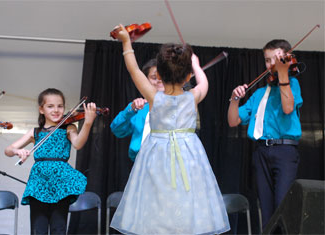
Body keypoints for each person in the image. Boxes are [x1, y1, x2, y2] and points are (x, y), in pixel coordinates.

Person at [110, 24, 230, 234]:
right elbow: (204, 82)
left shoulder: (154, 97)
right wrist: (196, 65)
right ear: (187, 77)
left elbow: (134, 69)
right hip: (189, 155)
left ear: (160, 76)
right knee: (187, 200)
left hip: (157, 156)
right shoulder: (193, 96)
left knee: (157, 203)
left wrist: (126, 42)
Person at [227, 39, 302, 228]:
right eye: (267, 60)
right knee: (266, 209)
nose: (271, 65)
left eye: (275, 60)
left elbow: (287, 108)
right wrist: (235, 99)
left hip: (285, 152)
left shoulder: (292, 84)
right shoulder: (260, 93)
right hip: (262, 152)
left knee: (283, 206)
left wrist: (283, 73)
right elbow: (233, 120)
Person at [5, 88, 97, 234]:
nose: (56, 110)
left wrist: (87, 123)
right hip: (39, 182)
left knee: (58, 228)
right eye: (50, 106)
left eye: (60, 106)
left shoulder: (69, 127)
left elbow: (78, 144)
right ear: (41, 109)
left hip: (61, 182)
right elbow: (8, 150)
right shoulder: (35, 132)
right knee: (38, 229)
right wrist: (18, 151)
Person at [110, 58, 164, 161]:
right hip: (141, 161)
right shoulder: (140, 107)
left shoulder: (177, 103)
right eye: (154, 77)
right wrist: (131, 109)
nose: (159, 80)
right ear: (145, 80)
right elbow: (117, 130)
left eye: (163, 76)